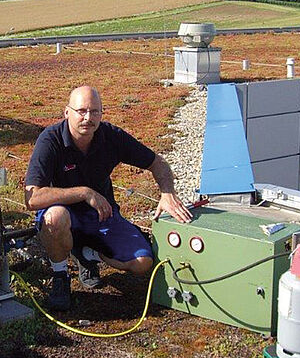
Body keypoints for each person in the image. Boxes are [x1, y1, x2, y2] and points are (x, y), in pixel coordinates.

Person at [24, 86, 192, 310]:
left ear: (102, 114)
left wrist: (167, 193)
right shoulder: (50, 140)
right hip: (64, 214)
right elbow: (32, 198)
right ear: (67, 112)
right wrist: (84, 192)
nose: (87, 118)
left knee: (143, 264)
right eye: (81, 110)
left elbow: (157, 163)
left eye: (94, 112)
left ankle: (88, 254)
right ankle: (60, 276)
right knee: (54, 218)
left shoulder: (111, 136)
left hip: (102, 215)